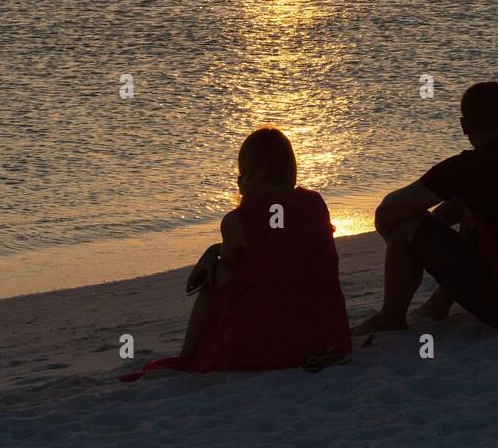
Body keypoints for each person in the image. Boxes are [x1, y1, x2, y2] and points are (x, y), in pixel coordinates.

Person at [353, 81, 498, 334]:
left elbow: (387, 212)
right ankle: (437, 305)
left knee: (406, 227)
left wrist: (410, 247)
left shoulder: (465, 169)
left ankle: (391, 316)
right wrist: (437, 231)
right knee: (468, 207)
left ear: (464, 126)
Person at [121, 127, 351, 379]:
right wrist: (213, 250)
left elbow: (231, 262)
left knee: (216, 271)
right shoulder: (314, 202)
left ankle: (188, 353)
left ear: (247, 171)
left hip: (274, 340)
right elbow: (281, 245)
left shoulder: (238, 220)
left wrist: (212, 256)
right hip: (327, 333)